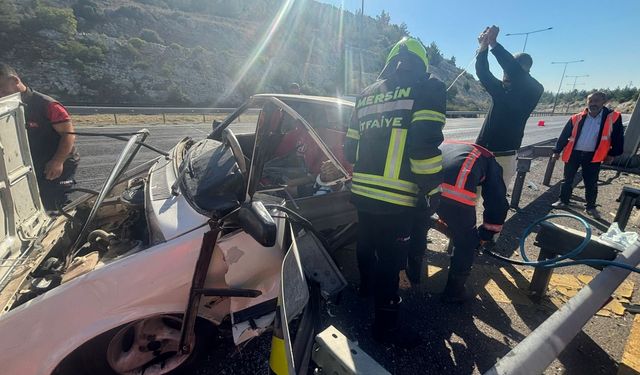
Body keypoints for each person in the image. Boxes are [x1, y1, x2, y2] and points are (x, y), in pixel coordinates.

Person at [345, 37, 445, 348]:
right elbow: (424, 145)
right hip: (398, 198)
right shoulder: (428, 87)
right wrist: (434, 189)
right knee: (390, 261)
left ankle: (364, 290)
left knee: (366, 242)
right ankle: (386, 329)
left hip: (363, 190)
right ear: (422, 62)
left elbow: (350, 149)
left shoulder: (366, 94)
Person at [435, 141, 509, 302]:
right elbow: (497, 202)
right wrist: (484, 234)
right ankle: (454, 293)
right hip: (454, 192)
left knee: (419, 223)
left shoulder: (449, 144)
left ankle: (411, 272)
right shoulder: (489, 161)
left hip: (425, 186)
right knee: (466, 242)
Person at [0, 64, 79, 211]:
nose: (0, 93)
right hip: (31, 163)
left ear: (14, 80)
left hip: (56, 161)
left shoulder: (47, 105)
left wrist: (57, 161)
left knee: (55, 205)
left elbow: (69, 135)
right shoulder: (7, 107)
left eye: (1, 88)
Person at [474, 25, 544, 187]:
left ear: (524, 71)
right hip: (482, 150)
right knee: (471, 195)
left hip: (505, 155)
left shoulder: (534, 89)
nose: (504, 73)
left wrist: (494, 44)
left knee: (496, 200)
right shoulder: (501, 89)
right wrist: (483, 48)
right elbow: (483, 73)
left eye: (508, 70)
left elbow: (513, 70)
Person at [551, 92, 624, 219]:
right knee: (567, 179)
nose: (593, 103)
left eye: (597, 101)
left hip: (594, 155)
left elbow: (618, 138)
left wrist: (612, 154)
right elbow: (564, 135)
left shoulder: (613, 117)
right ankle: (563, 201)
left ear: (604, 102)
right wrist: (557, 150)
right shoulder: (577, 117)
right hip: (574, 153)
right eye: (590, 101)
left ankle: (590, 207)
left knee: (591, 182)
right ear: (587, 102)